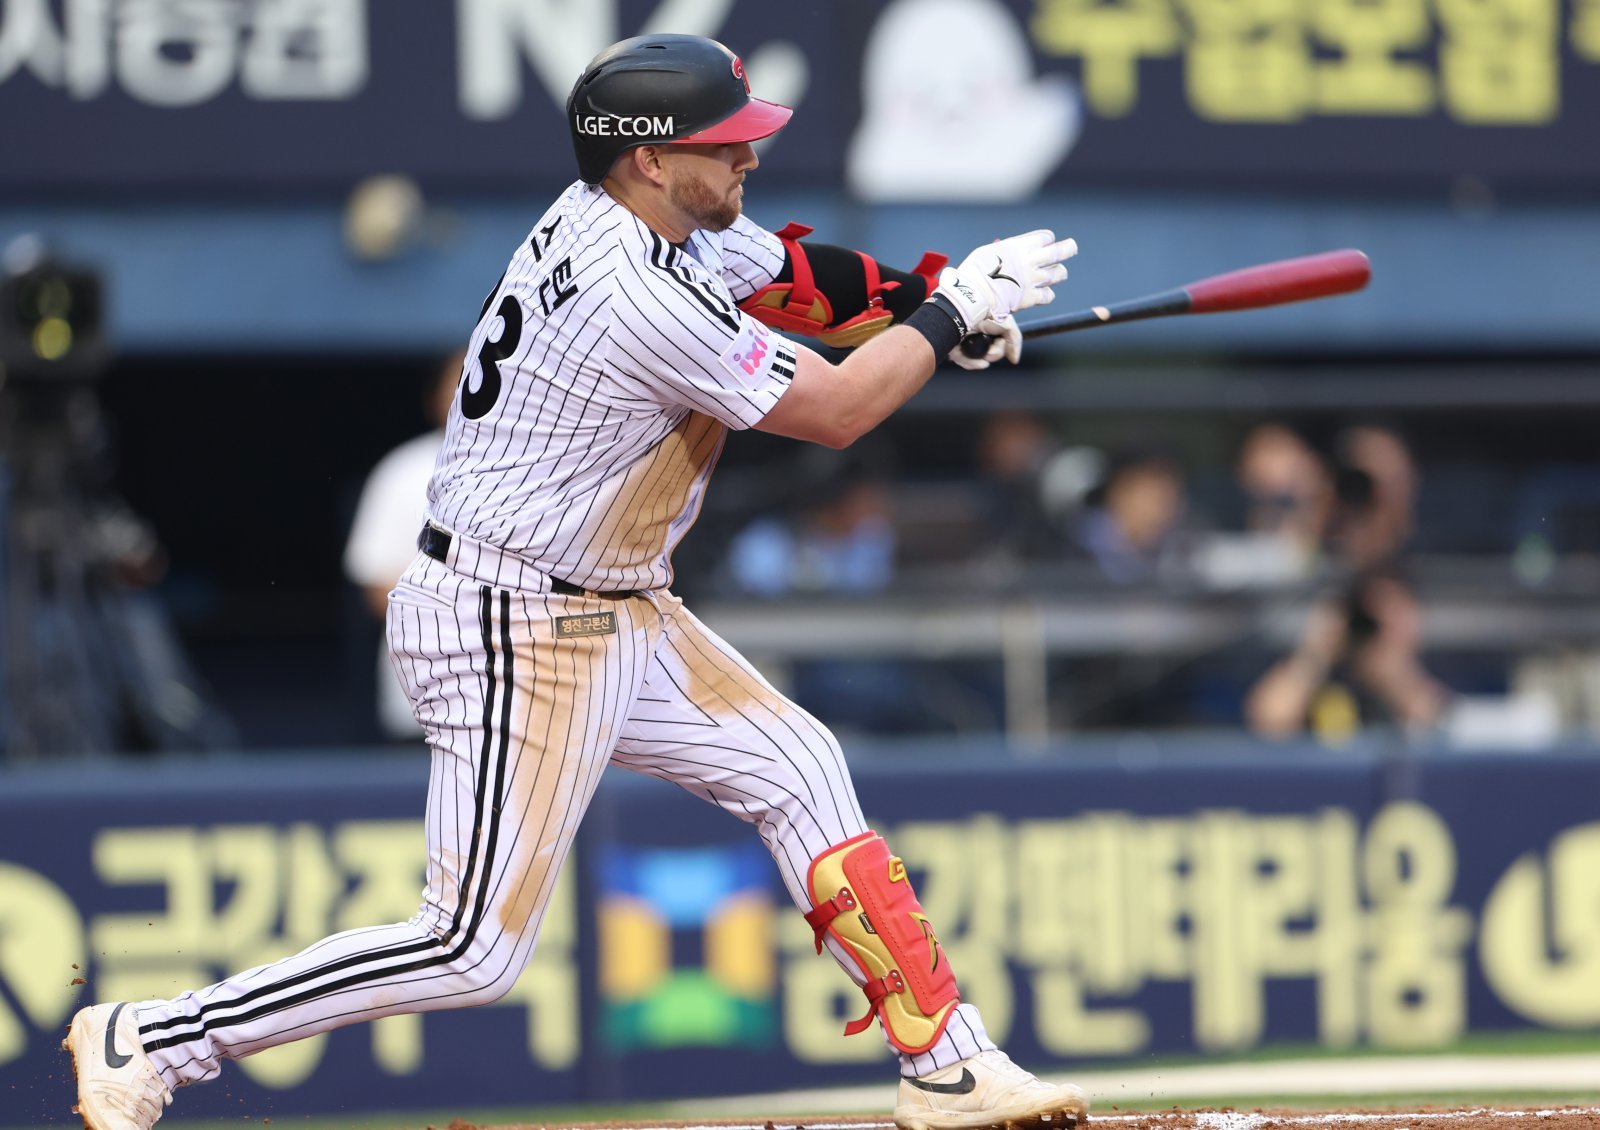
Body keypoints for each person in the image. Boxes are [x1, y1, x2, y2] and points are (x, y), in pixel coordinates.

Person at [63, 34, 1085, 1130]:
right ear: (649, 158)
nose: (748, 158)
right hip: (515, 617)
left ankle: (948, 1063)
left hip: (612, 599)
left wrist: (932, 307)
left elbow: (796, 282)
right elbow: (836, 410)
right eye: (724, 143)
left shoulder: (647, 219)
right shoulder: (629, 286)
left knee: (799, 765)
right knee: (470, 950)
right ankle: (158, 1036)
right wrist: (944, 316)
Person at [1245, 424, 1450, 738]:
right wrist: (1317, 652)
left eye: (1389, 484)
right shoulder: (1303, 575)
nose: (1371, 501)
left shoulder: (1446, 571)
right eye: (1360, 485)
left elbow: (1452, 731)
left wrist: (1395, 675)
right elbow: (1270, 722)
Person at [342, 350, 465, 738]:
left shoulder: (547, 470)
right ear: (434, 397)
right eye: (460, 381)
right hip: (429, 692)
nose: (477, 389)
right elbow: (376, 588)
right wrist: (473, 613)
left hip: (532, 691)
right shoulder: (403, 471)